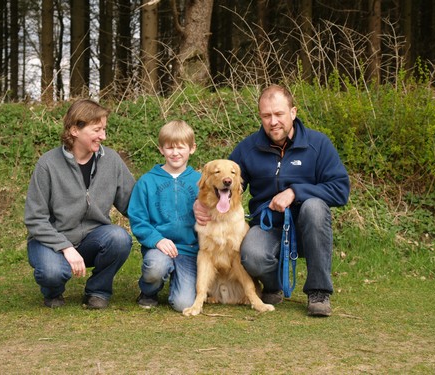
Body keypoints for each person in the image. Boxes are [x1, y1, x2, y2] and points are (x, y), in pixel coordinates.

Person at [195, 85, 350, 317]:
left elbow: (340, 190)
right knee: (251, 254)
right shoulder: (248, 148)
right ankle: (272, 286)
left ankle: (318, 292)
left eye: (279, 114)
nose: (273, 121)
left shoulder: (318, 145)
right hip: (268, 226)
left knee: (314, 207)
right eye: (266, 116)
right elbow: (225, 180)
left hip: (309, 227)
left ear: (293, 112)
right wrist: (200, 203)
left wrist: (296, 192)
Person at [24, 99, 135, 309]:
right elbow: (35, 219)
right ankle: (53, 291)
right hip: (50, 242)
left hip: (92, 239)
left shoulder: (111, 160)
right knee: (52, 272)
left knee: (119, 238)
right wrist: (64, 246)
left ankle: (98, 291)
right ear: (75, 130)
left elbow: (134, 205)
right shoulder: (47, 164)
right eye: (97, 130)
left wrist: (167, 225)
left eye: (104, 129)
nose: (103, 136)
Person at [128, 120, 201, 312]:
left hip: (190, 250)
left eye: (180, 147)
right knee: (155, 267)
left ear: (192, 149)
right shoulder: (146, 182)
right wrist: (157, 240)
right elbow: (137, 218)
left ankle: (179, 283)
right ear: (161, 149)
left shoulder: (201, 181)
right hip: (160, 248)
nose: (175, 153)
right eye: (169, 147)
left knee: (183, 304)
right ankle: (148, 290)